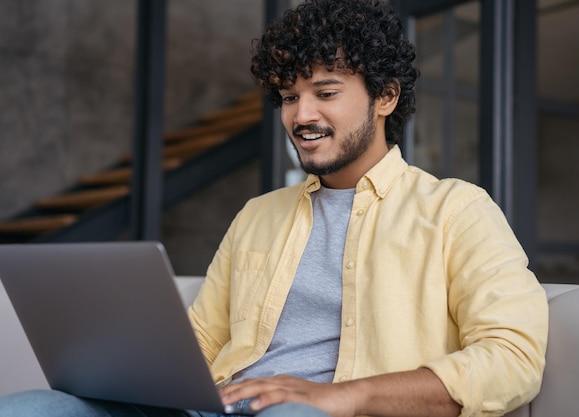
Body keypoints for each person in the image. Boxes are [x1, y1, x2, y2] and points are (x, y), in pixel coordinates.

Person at [0, 0, 548, 416]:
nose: (300, 114)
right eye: (288, 97)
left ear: (385, 97)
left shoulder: (456, 209)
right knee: (25, 408)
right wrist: (122, 368)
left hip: (312, 414)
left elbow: (513, 358)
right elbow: (203, 341)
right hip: (218, 406)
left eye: (325, 92)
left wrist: (340, 397)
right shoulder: (259, 214)